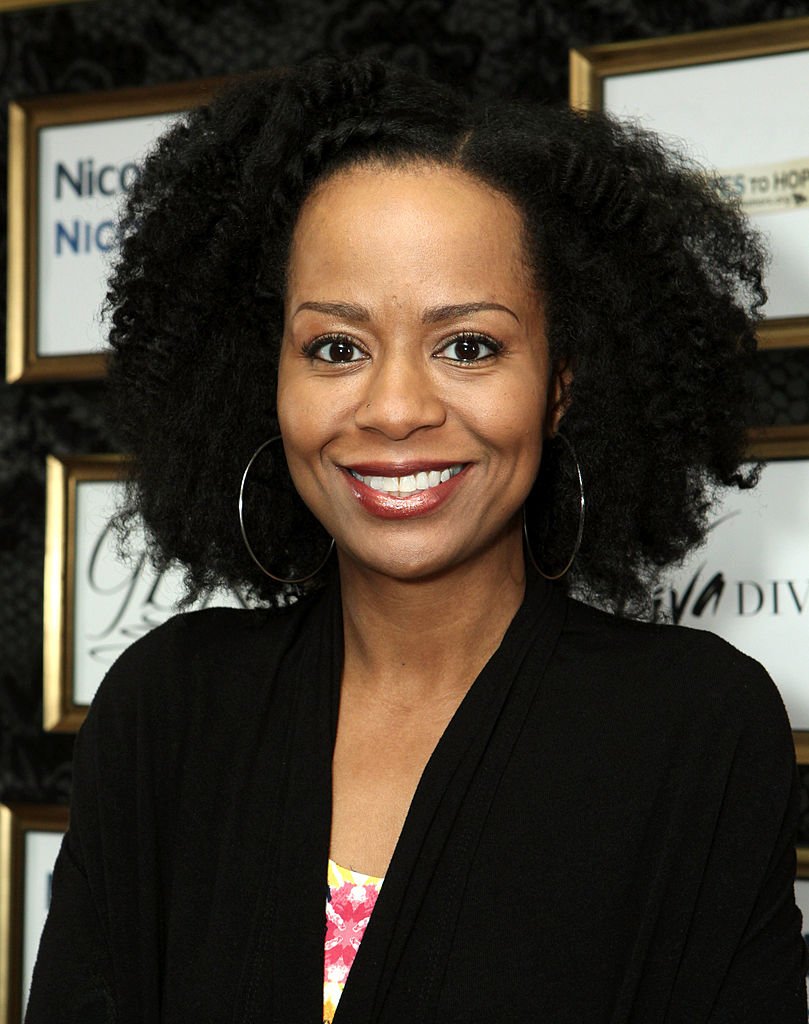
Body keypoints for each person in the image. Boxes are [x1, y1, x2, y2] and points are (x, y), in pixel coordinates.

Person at [26, 55, 807, 1023]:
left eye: (467, 345)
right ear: (262, 372)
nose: (394, 408)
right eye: (336, 347)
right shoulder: (162, 716)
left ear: (559, 379)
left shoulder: (695, 734)